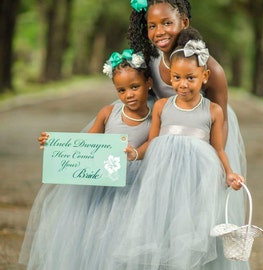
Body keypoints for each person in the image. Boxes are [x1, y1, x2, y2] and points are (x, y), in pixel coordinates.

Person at [106, 31, 248, 270]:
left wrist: (228, 172)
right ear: (170, 78)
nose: (183, 84)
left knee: (190, 224)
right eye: (177, 77)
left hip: (196, 175)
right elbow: (152, 142)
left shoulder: (212, 111)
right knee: (160, 221)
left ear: (204, 76)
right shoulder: (162, 106)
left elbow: (219, 148)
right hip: (162, 174)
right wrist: (135, 153)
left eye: (190, 78)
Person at [18, 49, 153, 270]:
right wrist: (55, 145)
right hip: (104, 186)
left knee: (127, 232)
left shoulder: (155, 114)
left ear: (148, 83)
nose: (128, 94)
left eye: (134, 87)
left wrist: (136, 153)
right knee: (99, 231)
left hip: (135, 184)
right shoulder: (109, 113)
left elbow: (154, 142)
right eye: (121, 90)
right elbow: (86, 145)